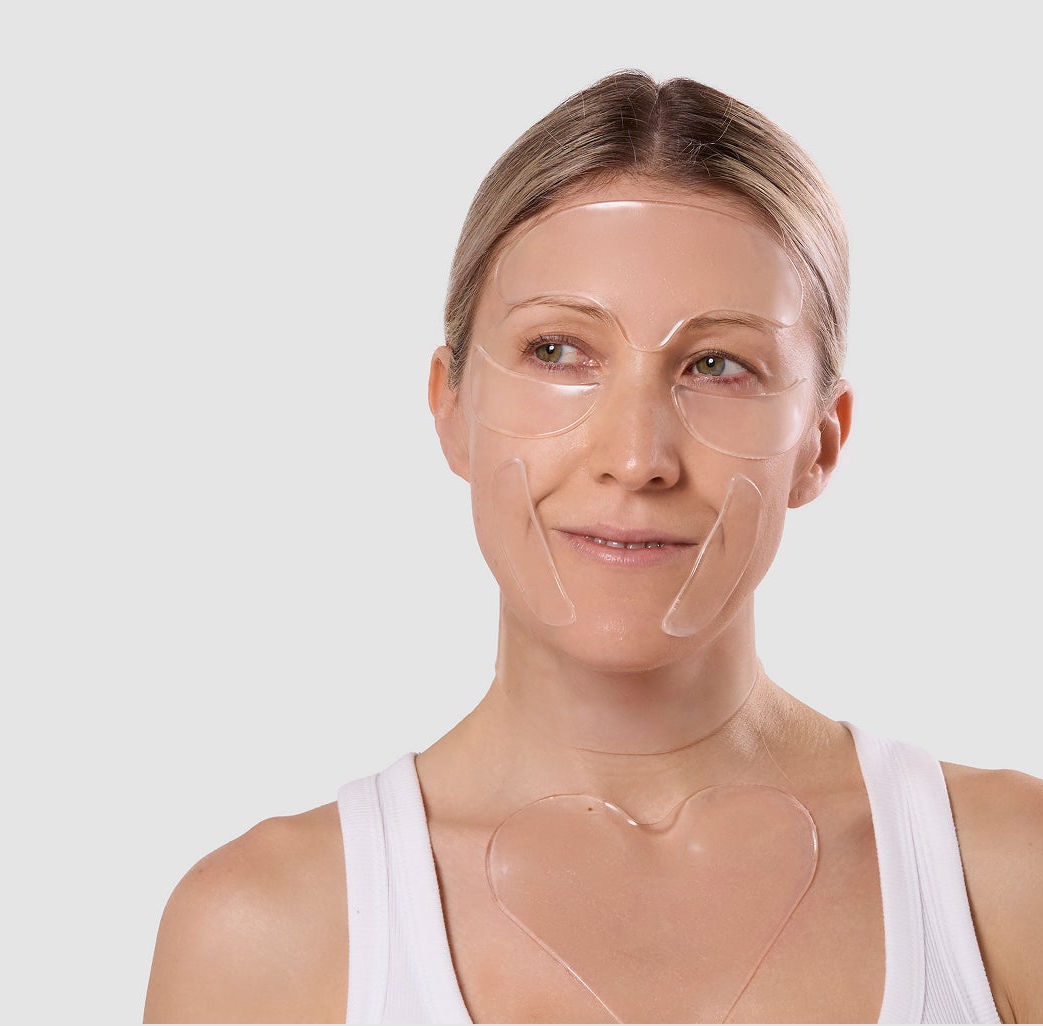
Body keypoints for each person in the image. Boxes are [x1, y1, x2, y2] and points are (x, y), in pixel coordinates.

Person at [142, 71, 1043, 1025]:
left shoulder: (1009, 882)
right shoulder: (266, 935)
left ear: (821, 442)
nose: (636, 457)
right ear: (452, 407)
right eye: (558, 352)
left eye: (718, 365)